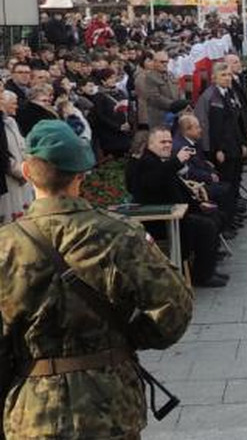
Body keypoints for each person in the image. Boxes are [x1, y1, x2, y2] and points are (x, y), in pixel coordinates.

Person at [0, 120, 192, 440]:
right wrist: (129, 335)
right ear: (81, 174)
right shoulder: (119, 233)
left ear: (27, 172)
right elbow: (174, 309)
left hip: (34, 412)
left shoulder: (6, 245)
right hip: (111, 402)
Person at [127, 127, 227, 286]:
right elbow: (153, 181)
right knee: (206, 226)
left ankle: (207, 266)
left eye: (169, 142)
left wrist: (199, 204)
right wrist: (176, 161)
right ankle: (202, 276)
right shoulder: (146, 162)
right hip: (161, 221)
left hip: (178, 212)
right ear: (150, 144)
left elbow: (180, 189)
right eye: (162, 142)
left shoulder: (162, 160)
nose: (167, 145)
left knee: (216, 216)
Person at [193, 63, 247, 193]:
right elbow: (208, 126)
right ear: (214, 78)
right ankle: (228, 211)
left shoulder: (229, 92)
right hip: (222, 149)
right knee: (226, 182)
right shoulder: (210, 96)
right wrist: (216, 150)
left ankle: (234, 207)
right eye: (223, 75)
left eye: (229, 75)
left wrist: (243, 143)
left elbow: (236, 121)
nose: (227, 78)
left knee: (236, 179)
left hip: (234, 145)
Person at [134, 49, 181, 132]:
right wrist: (173, 105)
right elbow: (154, 97)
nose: (165, 64)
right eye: (162, 62)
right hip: (158, 117)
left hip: (175, 115)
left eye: (167, 62)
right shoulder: (147, 77)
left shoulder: (170, 75)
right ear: (155, 62)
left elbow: (178, 90)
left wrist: (181, 103)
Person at [0, 91, 29, 221]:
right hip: (9, 176)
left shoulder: (11, 121)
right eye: (13, 103)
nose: (16, 106)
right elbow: (3, 153)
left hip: (22, 174)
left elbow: (22, 144)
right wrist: (19, 171)